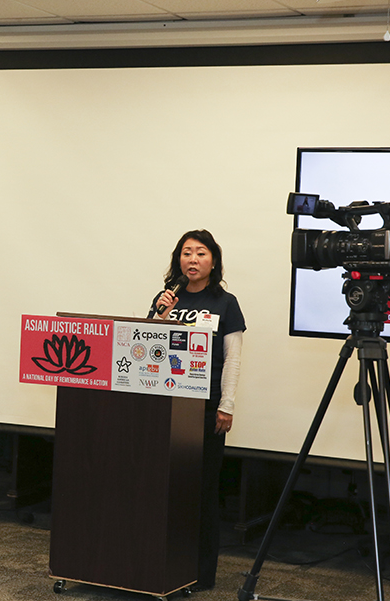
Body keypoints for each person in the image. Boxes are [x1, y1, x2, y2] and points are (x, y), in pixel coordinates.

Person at [148, 229, 246, 592]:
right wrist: (161, 315)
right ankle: (164, 565)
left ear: (213, 261)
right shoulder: (166, 299)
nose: (193, 259)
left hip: (205, 408)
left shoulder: (226, 303)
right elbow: (146, 348)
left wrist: (226, 404)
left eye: (201, 253)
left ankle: (201, 574)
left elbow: (232, 359)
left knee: (202, 490)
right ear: (178, 260)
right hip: (166, 406)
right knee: (165, 487)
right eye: (186, 252)